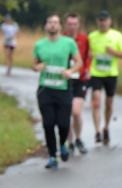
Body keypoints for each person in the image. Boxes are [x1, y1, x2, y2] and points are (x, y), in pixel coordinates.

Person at [33, 14, 82, 170]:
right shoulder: (39, 44)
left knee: (63, 124)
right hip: (45, 89)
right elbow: (35, 65)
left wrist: (70, 71)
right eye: (50, 22)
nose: (53, 25)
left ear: (60, 26)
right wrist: (37, 67)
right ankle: (53, 156)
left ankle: (63, 144)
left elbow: (79, 62)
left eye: (55, 22)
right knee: (48, 124)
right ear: (46, 26)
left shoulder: (69, 43)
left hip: (63, 89)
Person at [88, 10, 122, 145]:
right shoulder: (92, 36)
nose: (102, 23)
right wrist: (89, 55)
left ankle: (106, 127)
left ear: (110, 21)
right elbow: (86, 54)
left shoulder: (117, 36)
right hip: (96, 73)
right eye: (100, 20)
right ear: (97, 22)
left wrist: (114, 52)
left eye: (105, 20)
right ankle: (97, 131)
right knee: (96, 101)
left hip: (111, 73)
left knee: (109, 103)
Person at [64, 12, 91, 155]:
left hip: (80, 79)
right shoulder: (60, 38)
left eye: (75, 24)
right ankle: (70, 142)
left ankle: (79, 138)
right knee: (66, 112)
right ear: (65, 24)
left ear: (78, 25)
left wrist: (88, 69)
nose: (72, 27)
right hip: (64, 80)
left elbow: (88, 56)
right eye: (70, 24)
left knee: (76, 111)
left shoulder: (84, 39)